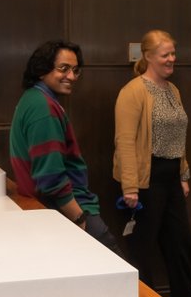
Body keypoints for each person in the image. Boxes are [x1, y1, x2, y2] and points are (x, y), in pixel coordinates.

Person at [114, 30, 191, 297]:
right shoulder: (133, 91)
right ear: (148, 56)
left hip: (171, 177)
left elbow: (179, 137)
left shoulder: (172, 90)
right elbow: (124, 141)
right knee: (143, 248)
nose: (172, 59)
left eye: (173, 53)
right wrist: (130, 187)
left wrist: (183, 175)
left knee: (180, 245)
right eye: (165, 54)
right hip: (144, 180)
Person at [9, 40, 119, 253]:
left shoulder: (32, 98)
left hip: (53, 210)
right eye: (63, 69)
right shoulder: (42, 107)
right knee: (128, 281)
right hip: (67, 210)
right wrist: (79, 218)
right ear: (42, 71)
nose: (71, 76)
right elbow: (51, 177)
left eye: (75, 70)